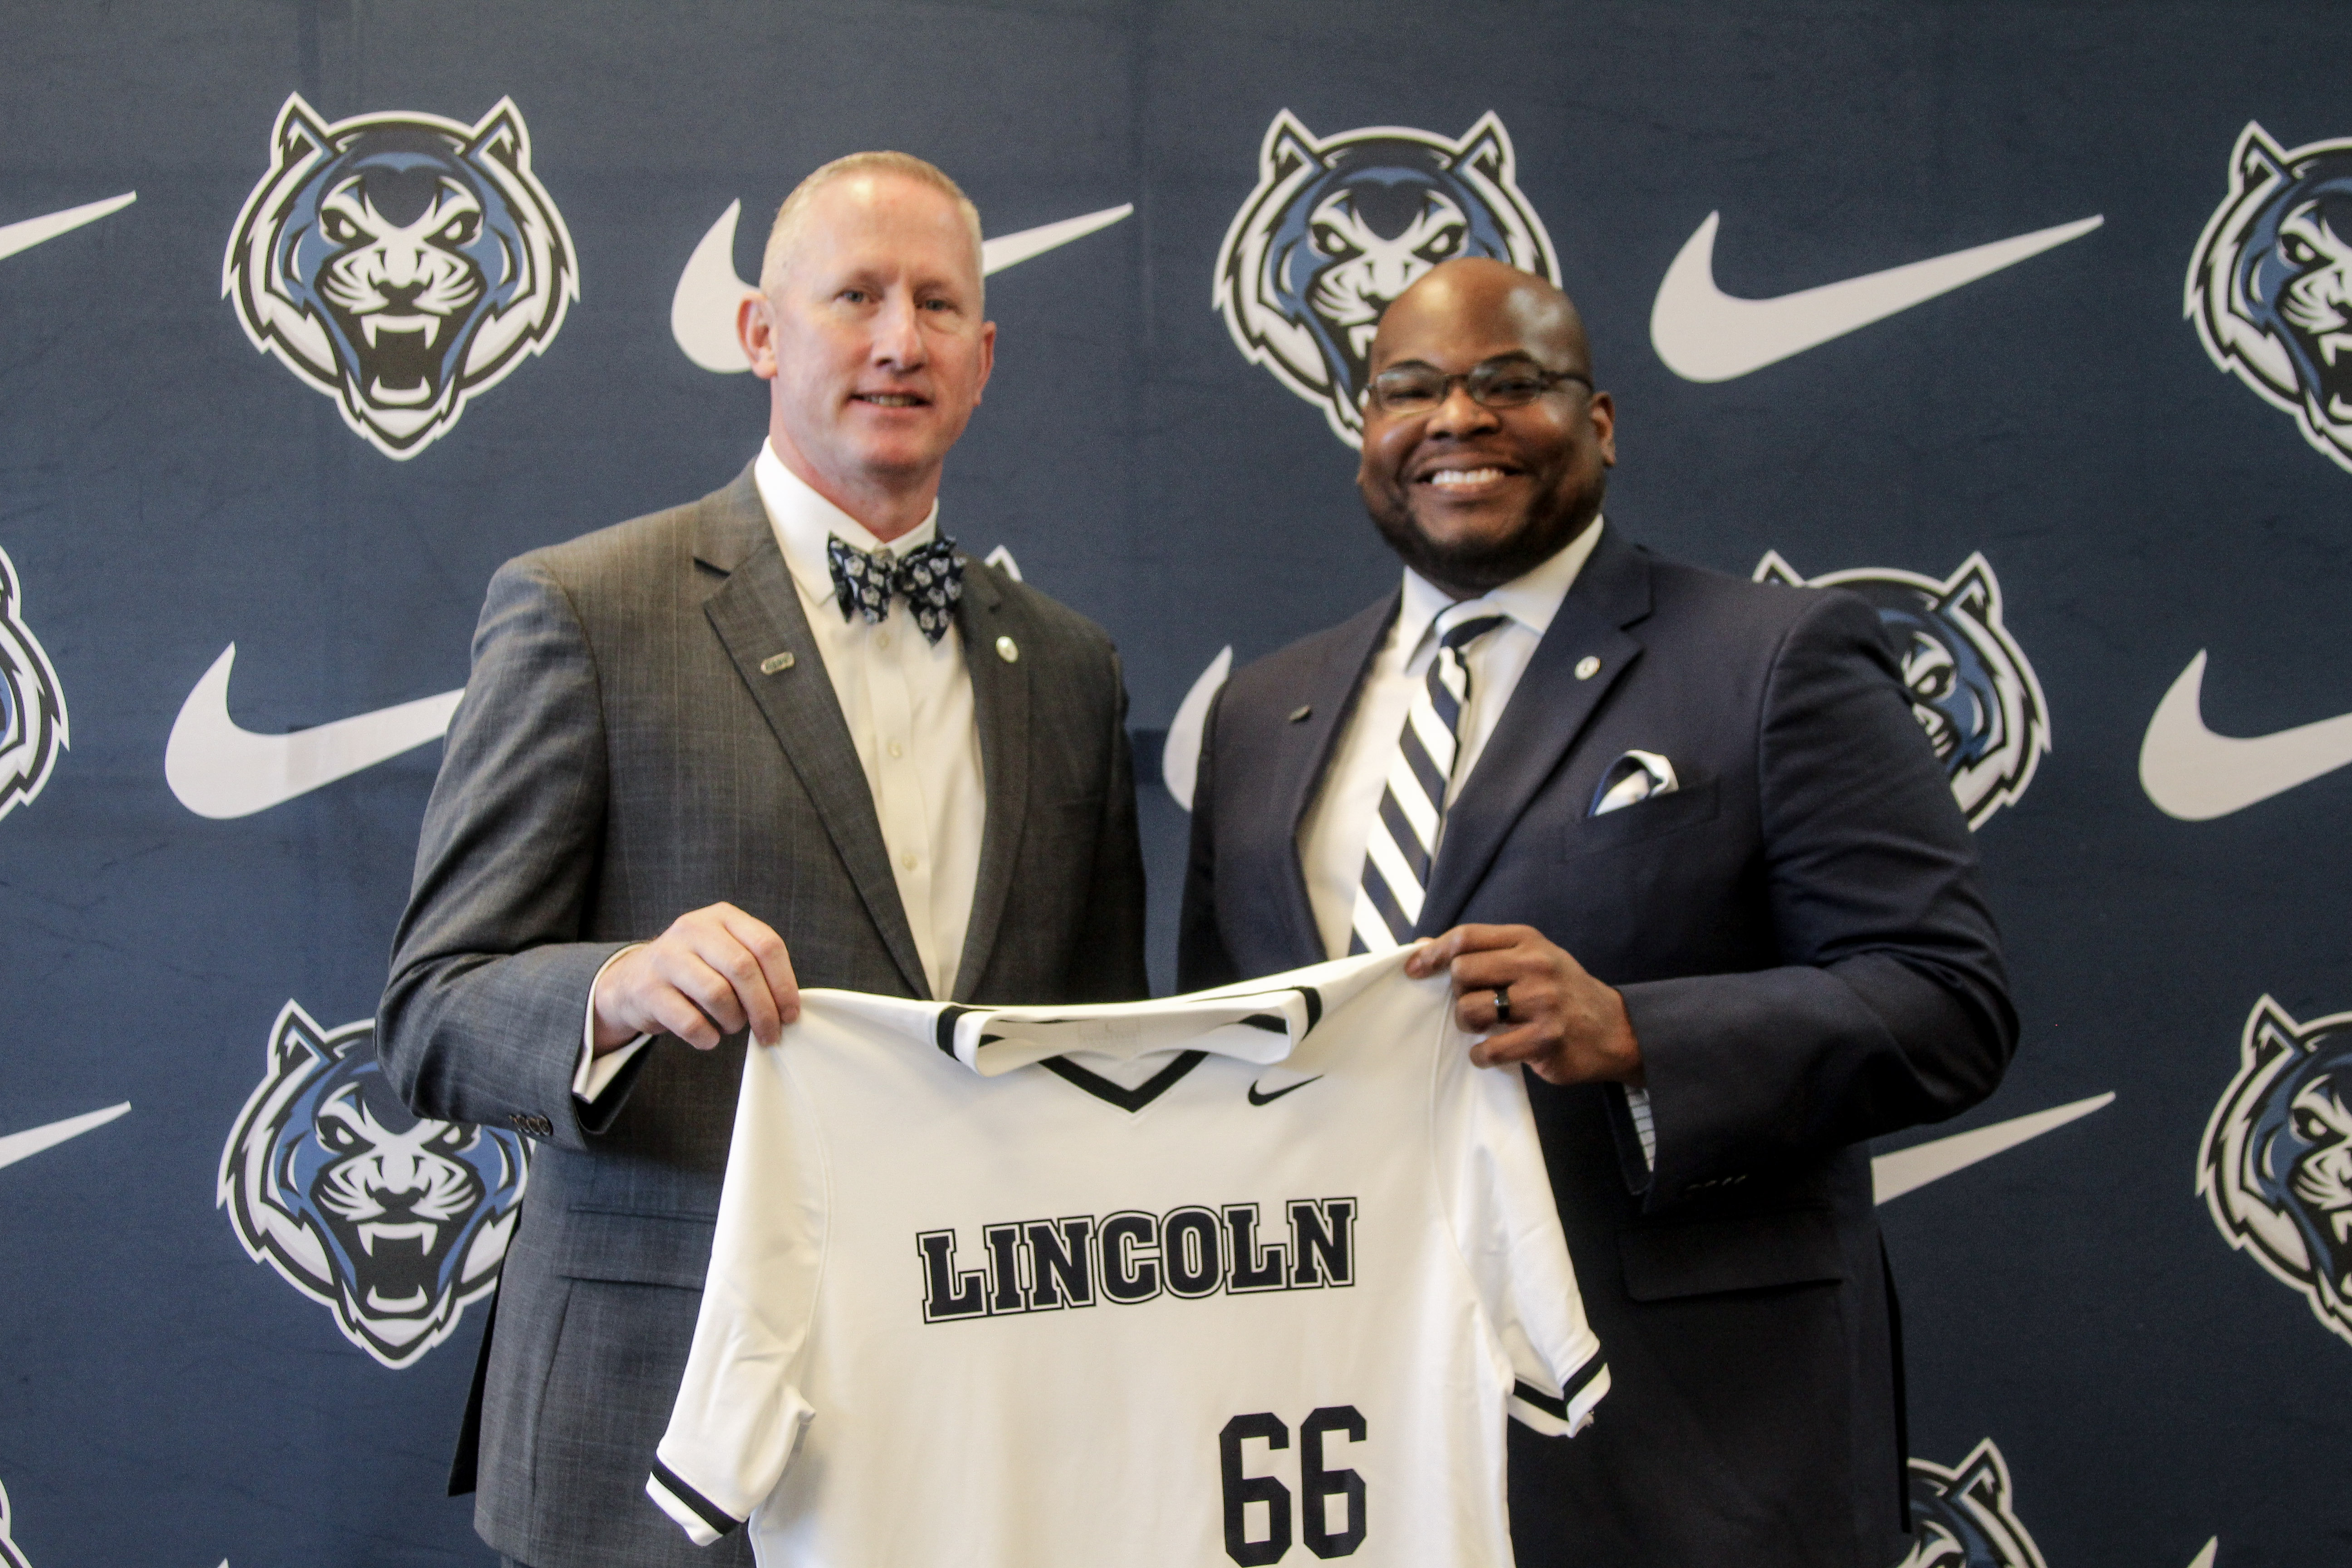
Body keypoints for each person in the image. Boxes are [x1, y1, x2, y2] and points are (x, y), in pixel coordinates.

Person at [1178, 257, 2015, 1568]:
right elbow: (1214, 1059)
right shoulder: (1260, 714)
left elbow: (1949, 1002)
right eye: (1411, 389)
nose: (1458, 419)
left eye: (1511, 383)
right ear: (1365, 434)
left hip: (1695, 1443)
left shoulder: (1776, 658)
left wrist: (1636, 1033)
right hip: (1351, 1435)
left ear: (1601, 423)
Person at [379, 151, 1147, 1568]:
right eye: (855, 295)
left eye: (936, 306)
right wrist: (615, 987)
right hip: (655, 1414)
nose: (898, 340)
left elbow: (1095, 1057)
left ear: (984, 358)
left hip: (979, 1425)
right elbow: (433, 1009)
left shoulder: (1075, 670)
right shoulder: (584, 610)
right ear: (760, 334)